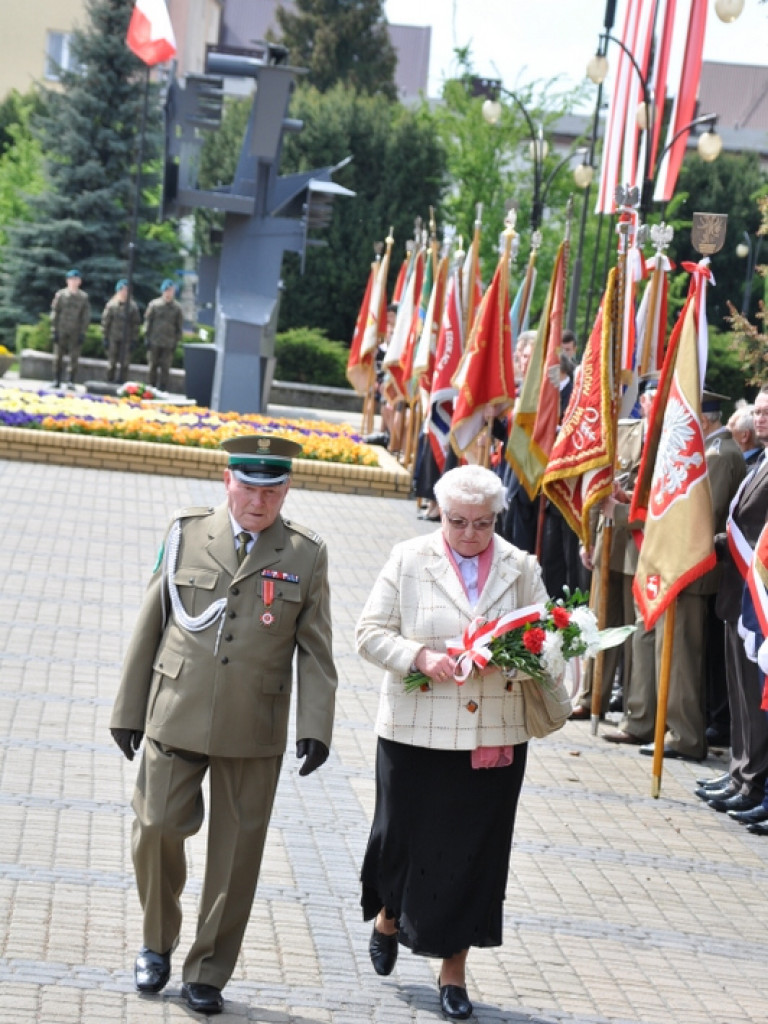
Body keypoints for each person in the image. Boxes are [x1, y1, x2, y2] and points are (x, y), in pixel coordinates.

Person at [110, 434, 338, 1015]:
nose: (259, 502)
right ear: (227, 481)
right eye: (249, 488)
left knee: (237, 855)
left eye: (272, 491)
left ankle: (208, 971)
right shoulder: (186, 532)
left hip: (252, 723)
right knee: (155, 828)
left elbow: (315, 650)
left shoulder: (305, 553)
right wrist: (128, 709)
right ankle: (156, 942)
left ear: (286, 489)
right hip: (176, 707)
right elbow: (152, 620)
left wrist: (316, 726)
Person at [356, 464, 550, 1021]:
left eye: (482, 523)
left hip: (491, 735)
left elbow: (546, 642)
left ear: (497, 518)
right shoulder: (408, 557)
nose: (469, 534)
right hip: (414, 731)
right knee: (401, 839)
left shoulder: (521, 567)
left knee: (473, 854)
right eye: (458, 522)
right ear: (441, 514)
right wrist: (419, 656)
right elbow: (368, 634)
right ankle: (389, 915)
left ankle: (453, 971)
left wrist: (509, 660)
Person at [50, 268, 90, 387]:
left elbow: (85, 316)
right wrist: (54, 330)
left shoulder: (83, 297)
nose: (73, 282)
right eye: (71, 279)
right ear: (67, 281)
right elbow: (55, 313)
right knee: (58, 356)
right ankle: (57, 379)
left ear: (79, 282)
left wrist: (83, 332)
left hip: (75, 330)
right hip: (61, 329)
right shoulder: (61, 295)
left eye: (76, 279)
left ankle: (71, 380)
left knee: (74, 357)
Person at [144, 278, 183, 391]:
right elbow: (148, 322)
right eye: (167, 290)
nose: (169, 293)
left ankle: (163, 387)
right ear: (163, 291)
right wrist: (146, 337)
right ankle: (151, 386)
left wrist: (177, 341)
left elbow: (179, 326)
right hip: (154, 340)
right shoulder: (154, 305)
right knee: (152, 365)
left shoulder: (177, 308)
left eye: (171, 291)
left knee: (165, 367)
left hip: (169, 342)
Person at [102, 278, 141, 384]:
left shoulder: (132, 307)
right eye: (122, 290)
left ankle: (122, 381)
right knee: (112, 362)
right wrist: (105, 337)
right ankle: (109, 380)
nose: (124, 292)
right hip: (113, 337)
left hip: (126, 338)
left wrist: (134, 340)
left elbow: (136, 324)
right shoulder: (111, 305)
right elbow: (106, 322)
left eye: (126, 290)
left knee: (125, 363)